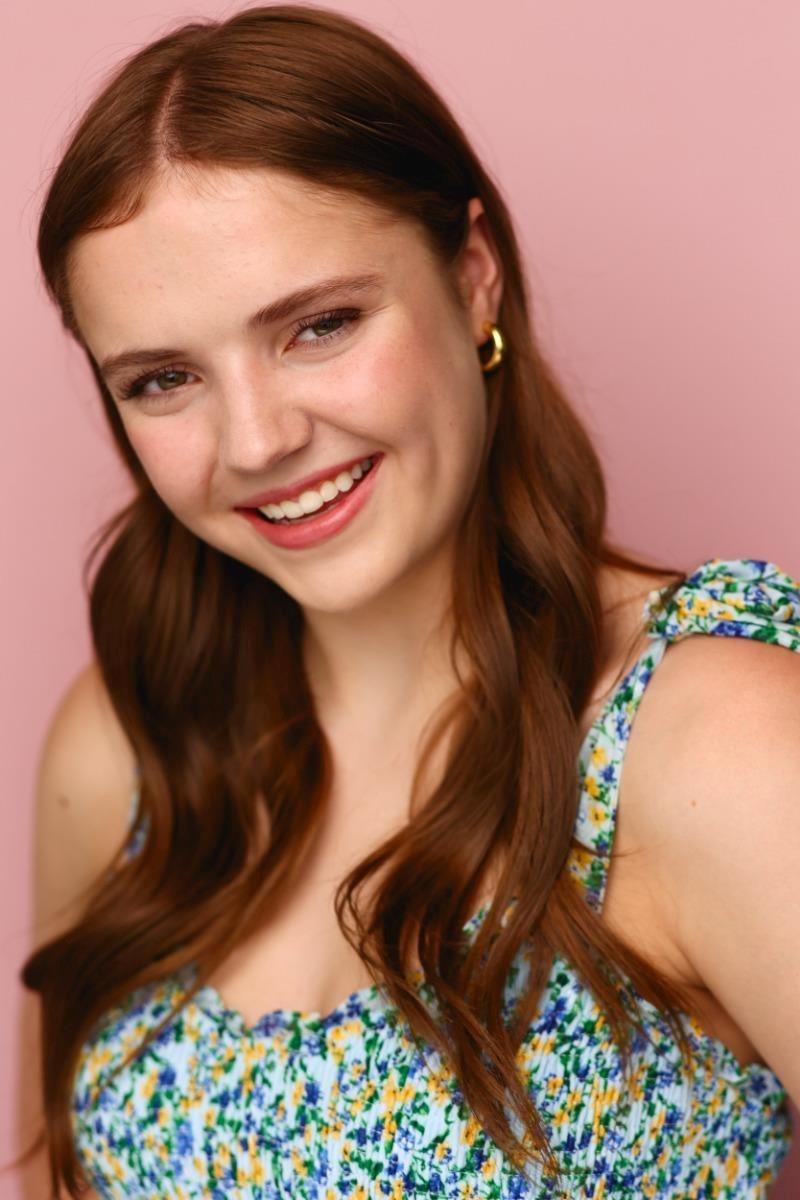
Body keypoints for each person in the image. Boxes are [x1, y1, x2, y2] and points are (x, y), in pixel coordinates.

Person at [17, 4, 800, 1198]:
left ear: (471, 278)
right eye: (164, 378)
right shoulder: (127, 743)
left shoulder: (712, 739)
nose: (256, 440)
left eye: (318, 326)